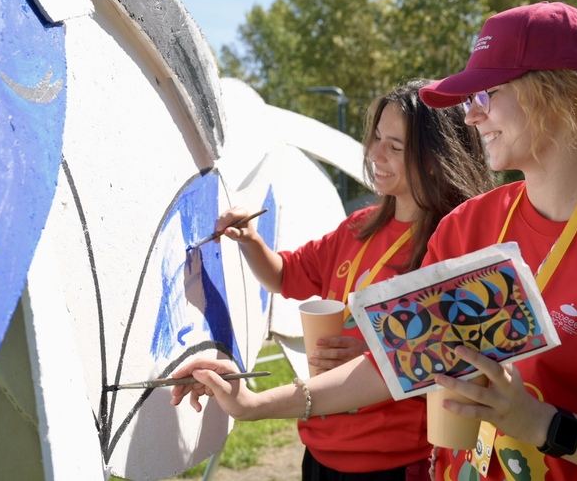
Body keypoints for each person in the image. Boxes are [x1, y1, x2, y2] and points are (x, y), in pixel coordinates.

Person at [171, 2, 577, 480]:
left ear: (558, 95)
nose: (470, 117)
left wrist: (542, 425)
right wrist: (253, 405)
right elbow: (391, 365)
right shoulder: (469, 227)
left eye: (485, 94)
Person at [211, 79, 494, 480]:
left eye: (394, 147)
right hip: (321, 451)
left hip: (397, 460)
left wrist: (368, 348)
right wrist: (251, 240)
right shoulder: (357, 228)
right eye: (376, 137)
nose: (374, 153)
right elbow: (285, 275)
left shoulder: (453, 245)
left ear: (436, 159)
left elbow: (431, 357)